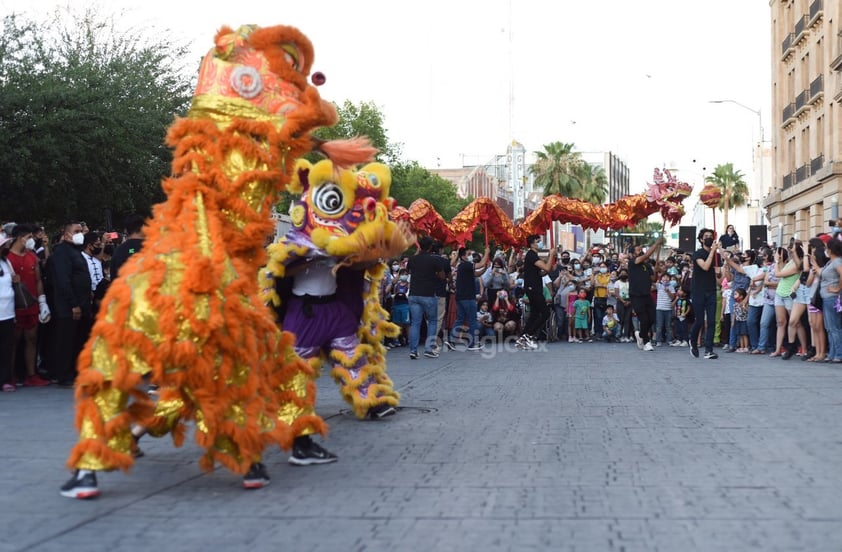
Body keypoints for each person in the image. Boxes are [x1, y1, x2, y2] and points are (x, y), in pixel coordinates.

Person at [46, 221, 91, 386]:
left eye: (81, 231)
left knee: (77, 340)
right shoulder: (62, 252)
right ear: (65, 233)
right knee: (66, 341)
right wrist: (73, 304)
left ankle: (74, 371)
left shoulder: (75, 251)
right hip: (69, 307)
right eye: (76, 231)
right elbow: (63, 281)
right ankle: (63, 374)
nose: (80, 233)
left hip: (81, 303)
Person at [6, 224, 51, 387]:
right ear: (20, 238)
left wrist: (42, 301)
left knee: (31, 339)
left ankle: (31, 375)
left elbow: (38, 280)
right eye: (29, 237)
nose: (32, 240)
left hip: (31, 305)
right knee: (13, 341)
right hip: (15, 306)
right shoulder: (8, 258)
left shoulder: (33, 256)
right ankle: (9, 376)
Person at [407, 237, 445, 359]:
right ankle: (429, 348)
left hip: (414, 294)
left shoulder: (412, 259)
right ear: (430, 247)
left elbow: (408, 269)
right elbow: (442, 276)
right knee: (433, 321)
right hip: (428, 294)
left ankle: (413, 350)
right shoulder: (433, 260)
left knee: (415, 323)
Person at [446, 246, 489, 351]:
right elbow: (480, 264)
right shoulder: (466, 265)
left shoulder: (463, 266)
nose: (470, 256)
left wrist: (485, 269)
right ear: (463, 256)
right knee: (472, 320)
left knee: (460, 319)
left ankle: (451, 339)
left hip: (461, 297)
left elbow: (476, 273)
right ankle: (473, 343)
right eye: (468, 254)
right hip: (467, 297)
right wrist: (487, 253)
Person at [516, 235, 554, 350]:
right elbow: (546, 268)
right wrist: (551, 254)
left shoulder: (533, 256)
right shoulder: (531, 255)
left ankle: (523, 337)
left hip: (534, 287)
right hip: (533, 288)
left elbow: (542, 272)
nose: (540, 243)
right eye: (538, 241)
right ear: (532, 244)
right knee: (545, 312)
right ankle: (528, 335)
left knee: (534, 314)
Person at [689, 229, 721, 360]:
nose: (708, 238)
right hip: (698, 291)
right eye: (706, 236)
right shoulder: (698, 254)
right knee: (700, 320)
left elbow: (719, 277)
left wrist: (720, 273)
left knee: (712, 321)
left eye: (710, 236)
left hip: (712, 290)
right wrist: (713, 251)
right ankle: (693, 341)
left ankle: (709, 350)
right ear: (701, 239)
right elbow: (705, 267)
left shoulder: (717, 256)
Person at [628, 238, 664, 352]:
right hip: (636, 295)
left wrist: (656, 271)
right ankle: (646, 341)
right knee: (643, 319)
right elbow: (647, 254)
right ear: (633, 253)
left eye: (641, 249)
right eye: (638, 250)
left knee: (652, 318)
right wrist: (656, 243)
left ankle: (641, 335)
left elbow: (653, 279)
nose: (641, 251)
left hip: (646, 295)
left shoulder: (647, 265)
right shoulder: (633, 262)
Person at [819, 238, 842, 363]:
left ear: (831, 249)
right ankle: (833, 353)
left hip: (832, 297)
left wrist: (837, 288)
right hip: (826, 297)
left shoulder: (837, 261)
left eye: (827, 248)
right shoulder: (830, 262)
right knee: (829, 327)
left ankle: (839, 353)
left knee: (834, 327)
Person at [0, 235, 17, 392]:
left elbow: (14, 280)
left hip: (8, 312)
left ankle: (5, 379)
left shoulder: (6, 262)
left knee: (6, 347)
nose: (6, 247)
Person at [110, 214, 146, 280]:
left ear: (126, 230)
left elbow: (113, 276)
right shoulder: (151, 248)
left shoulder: (119, 251)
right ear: (142, 227)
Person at [654, 272, 675, 346]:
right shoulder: (659, 285)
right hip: (659, 308)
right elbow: (653, 283)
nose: (665, 278)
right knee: (659, 325)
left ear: (669, 279)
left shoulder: (671, 287)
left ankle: (669, 340)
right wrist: (657, 278)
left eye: (667, 277)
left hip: (668, 308)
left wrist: (668, 291)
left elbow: (672, 297)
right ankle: (658, 341)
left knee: (668, 326)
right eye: (664, 277)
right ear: (661, 278)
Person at [732, 288, 750, 352]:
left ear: (741, 296)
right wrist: (733, 321)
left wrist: (744, 307)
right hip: (738, 321)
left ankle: (746, 347)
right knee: (740, 334)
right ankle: (741, 347)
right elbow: (734, 313)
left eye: (736, 294)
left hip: (744, 321)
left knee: (744, 334)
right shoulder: (735, 304)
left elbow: (748, 311)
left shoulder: (744, 304)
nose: (734, 296)